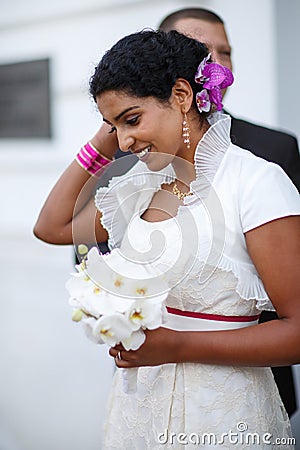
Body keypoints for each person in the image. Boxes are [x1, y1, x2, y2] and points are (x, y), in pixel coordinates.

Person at [34, 29, 300, 448]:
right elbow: (51, 227)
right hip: (138, 410)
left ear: (181, 95)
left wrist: (176, 345)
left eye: (132, 119)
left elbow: (297, 331)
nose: (123, 141)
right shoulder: (142, 184)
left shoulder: (255, 182)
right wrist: (105, 136)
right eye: (113, 126)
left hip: (222, 416)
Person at [158, 7, 300, 418]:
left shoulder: (274, 150)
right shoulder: (141, 155)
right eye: (203, 52)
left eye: (226, 51)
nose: (218, 65)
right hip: (155, 380)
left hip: (252, 379)